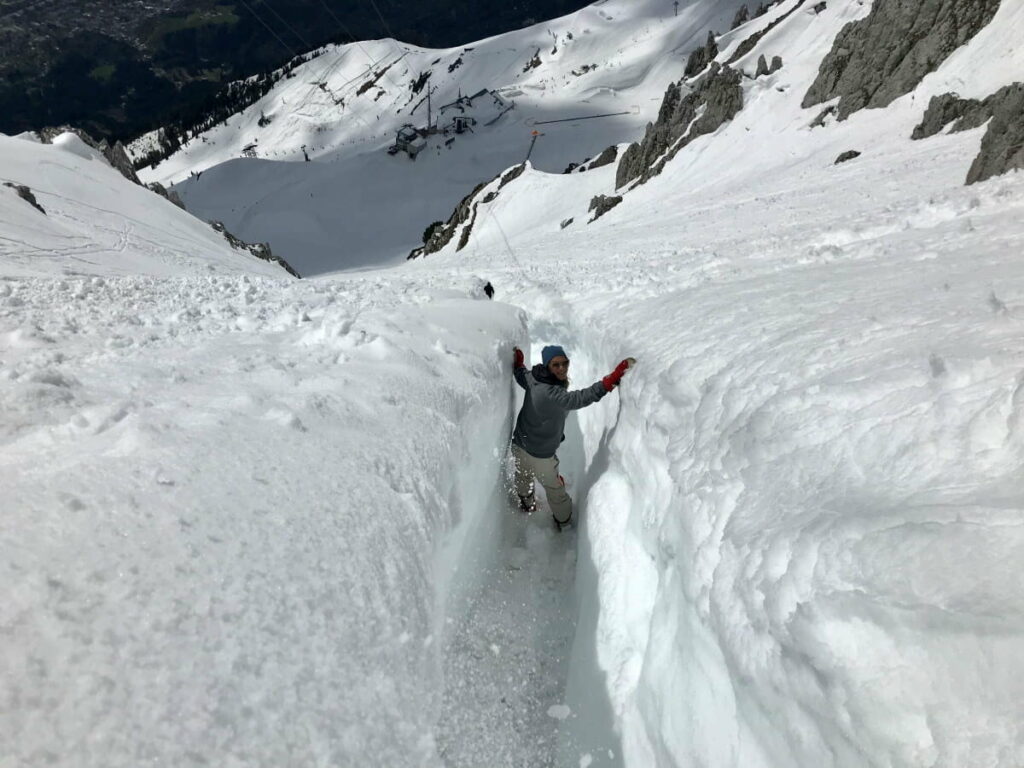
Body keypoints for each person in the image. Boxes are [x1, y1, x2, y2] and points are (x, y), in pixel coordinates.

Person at [511, 345, 632, 529]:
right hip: (542, 456)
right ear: (547, 366)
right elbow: (581, 398)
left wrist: (518, 364)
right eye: (556, 364)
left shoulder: (533, 378)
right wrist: (610, 381)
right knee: (555, 491)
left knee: (523, 477)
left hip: (519, 445)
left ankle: (527, 504)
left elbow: (521, 374)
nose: (561, 368)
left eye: (564, 363)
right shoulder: (554, 394)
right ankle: (564, 521)